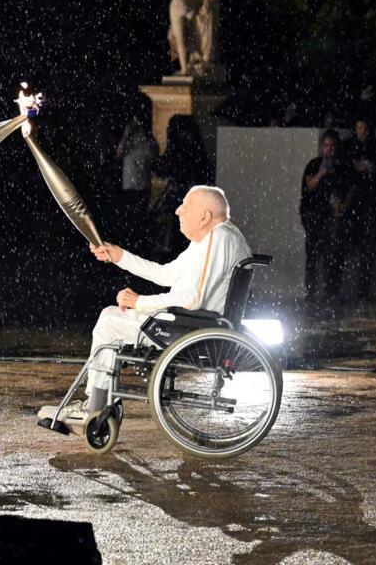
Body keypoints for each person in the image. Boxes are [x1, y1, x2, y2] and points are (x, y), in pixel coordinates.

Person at [37, 186, 251, 422]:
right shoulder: (216, 238)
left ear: (205, 216)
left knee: (109, 323)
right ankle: (99, 402)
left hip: (190, 329)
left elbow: (192, 298)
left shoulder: (218, 239)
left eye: (186, 206)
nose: (178, 211)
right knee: (110, 315)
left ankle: (95, 408)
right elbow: (165, 274)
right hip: (192, 324)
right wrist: (119, 256)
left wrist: (140, 302)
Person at [342, 118, 376, 303]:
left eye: (364, 128)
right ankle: (344, 293)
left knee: (368, 252)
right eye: (358, 128)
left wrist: (372, 170)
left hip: (372, 207)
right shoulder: (348, 148)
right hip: (353, 207)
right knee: (347, 249)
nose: (361, 131)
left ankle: (363, 293)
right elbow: (343, 173)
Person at [299, 129, 350, 307]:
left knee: (335, 256)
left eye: (332, 146)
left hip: (333, 218)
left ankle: (332, 292)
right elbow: (309, 186)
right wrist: (321, 173)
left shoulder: (342, 168)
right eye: (326, 145)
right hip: (313, 217)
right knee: (313, 256)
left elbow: (348, 191)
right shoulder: (314, 165)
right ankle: (311, 292)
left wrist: (341, 207)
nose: (329, 149)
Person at [152, 115, 209, 258]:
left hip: (177, 200)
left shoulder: (178, 150)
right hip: (195, 201)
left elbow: (164, 169)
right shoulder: (196, 151)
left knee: (172, 242)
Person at [115, 118, 158, 249]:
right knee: (128, 218)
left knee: (139, 218)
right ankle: (128, 244)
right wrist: (127, 134)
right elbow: (118, 153)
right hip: (129, 185)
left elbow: (153, 154)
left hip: (142, 185)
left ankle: (138, 245)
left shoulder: (147, 138)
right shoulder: (128, 138)